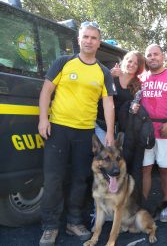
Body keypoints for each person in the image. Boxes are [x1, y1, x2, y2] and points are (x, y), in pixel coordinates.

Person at [38, 21, 116, 246]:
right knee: (53, 178)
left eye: (93, 38)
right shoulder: (64, 62)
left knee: (80, 179)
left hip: (85, 133)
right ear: (79, 39)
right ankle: (50, 227)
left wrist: (109, 132)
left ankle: (73, 222)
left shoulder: (103, 72)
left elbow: (108, 104)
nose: (89, 41)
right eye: (86, 37)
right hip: (58, 129)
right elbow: (46, 92)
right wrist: (43, 119)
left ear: (99, 42)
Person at [140, 44, 167, 222]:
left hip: (166, 129)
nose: (152, 57)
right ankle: (143, 206)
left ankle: (166, 205)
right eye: (149, 55)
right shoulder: (141, 77)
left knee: (166, 169)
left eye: (156, 54)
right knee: (145, 169)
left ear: (163, 56)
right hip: (146, 131)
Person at [95, 50, 145, 190]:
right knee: (104, 165)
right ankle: (99, 207)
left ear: (138, 67)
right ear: (124, 61)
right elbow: (95, 95)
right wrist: (109, 76)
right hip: (101, 125)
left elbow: (137, 107)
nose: (131, 65)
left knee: (117, 168)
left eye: (136, 63)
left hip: (122, 130)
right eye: (129, 61)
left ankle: (115, 204)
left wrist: (135, 108)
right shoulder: (111, 76)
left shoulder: (138, 85)